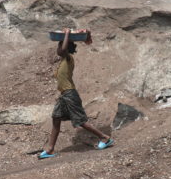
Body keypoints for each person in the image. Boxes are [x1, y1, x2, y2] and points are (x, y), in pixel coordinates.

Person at [39, 29, 114, 159]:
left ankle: (105, 138)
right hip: (64, 96)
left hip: (70, 94)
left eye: (59, 45)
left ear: (65, 48)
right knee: (56, 119)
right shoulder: (63, 61)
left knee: (80, 121)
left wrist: (67, 34)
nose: (58, 49)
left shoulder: (68, 58)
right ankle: (50, 149)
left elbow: (62, 50)